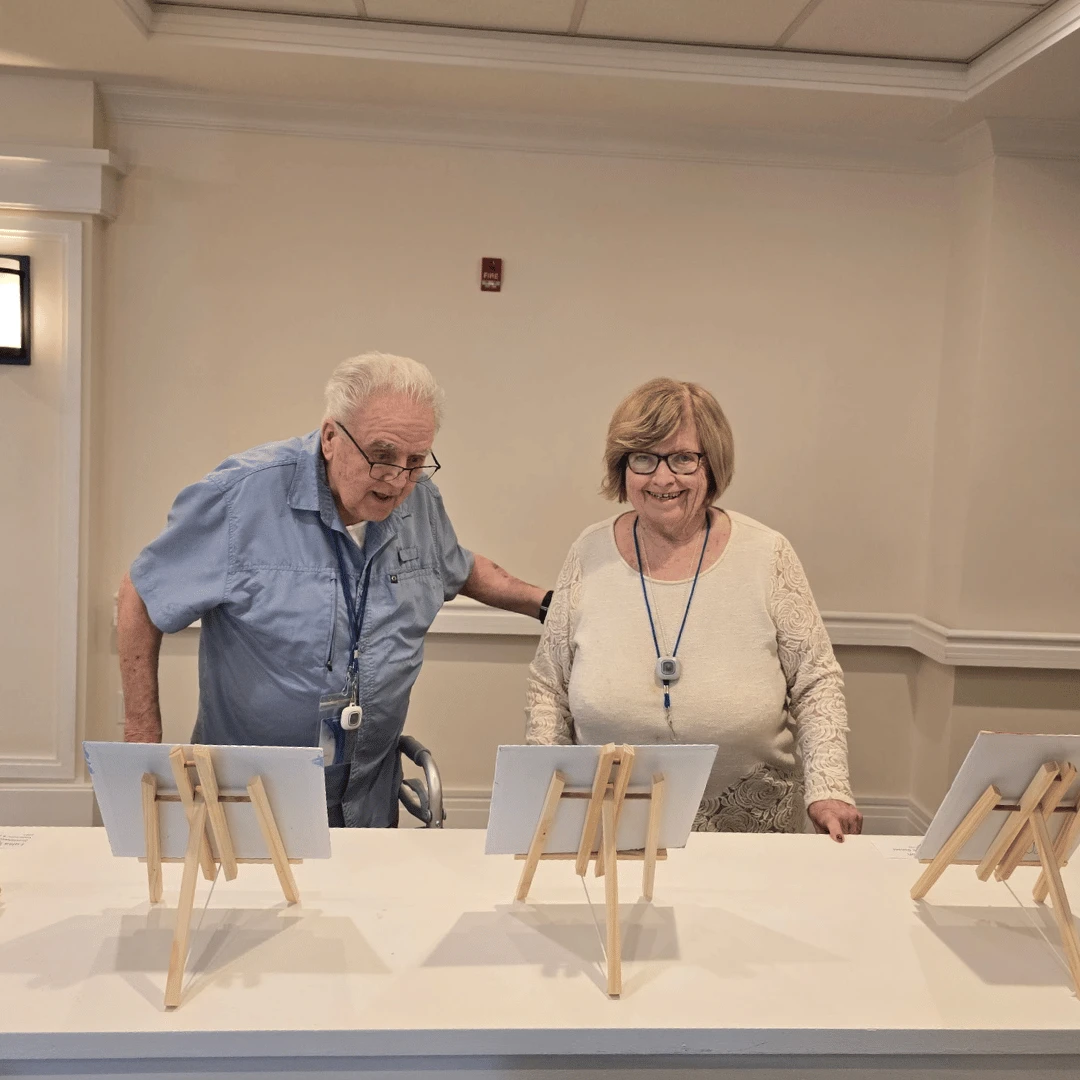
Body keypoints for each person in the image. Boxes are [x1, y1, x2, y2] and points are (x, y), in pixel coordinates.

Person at [119, 352, 549, 827]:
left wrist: (547, 604)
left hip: (365, 802)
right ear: (330, 438)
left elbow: (459, 567)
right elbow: (142, 593)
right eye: (382, 456)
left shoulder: (419, 500)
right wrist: (143, 740)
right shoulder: (242, 497)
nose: (398, 480)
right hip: (249, 802)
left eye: (415, 462)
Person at [526, 377, 862, 841]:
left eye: (683, 458)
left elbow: (816, 680)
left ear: (713, 464)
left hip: (751, 820)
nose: (663, 479)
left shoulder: (768, 554)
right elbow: (549, 685)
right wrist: (552, 784)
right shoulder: (589, 551)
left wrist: (829, 787)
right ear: (622, 466)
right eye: (643, 458)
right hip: (610, 816)